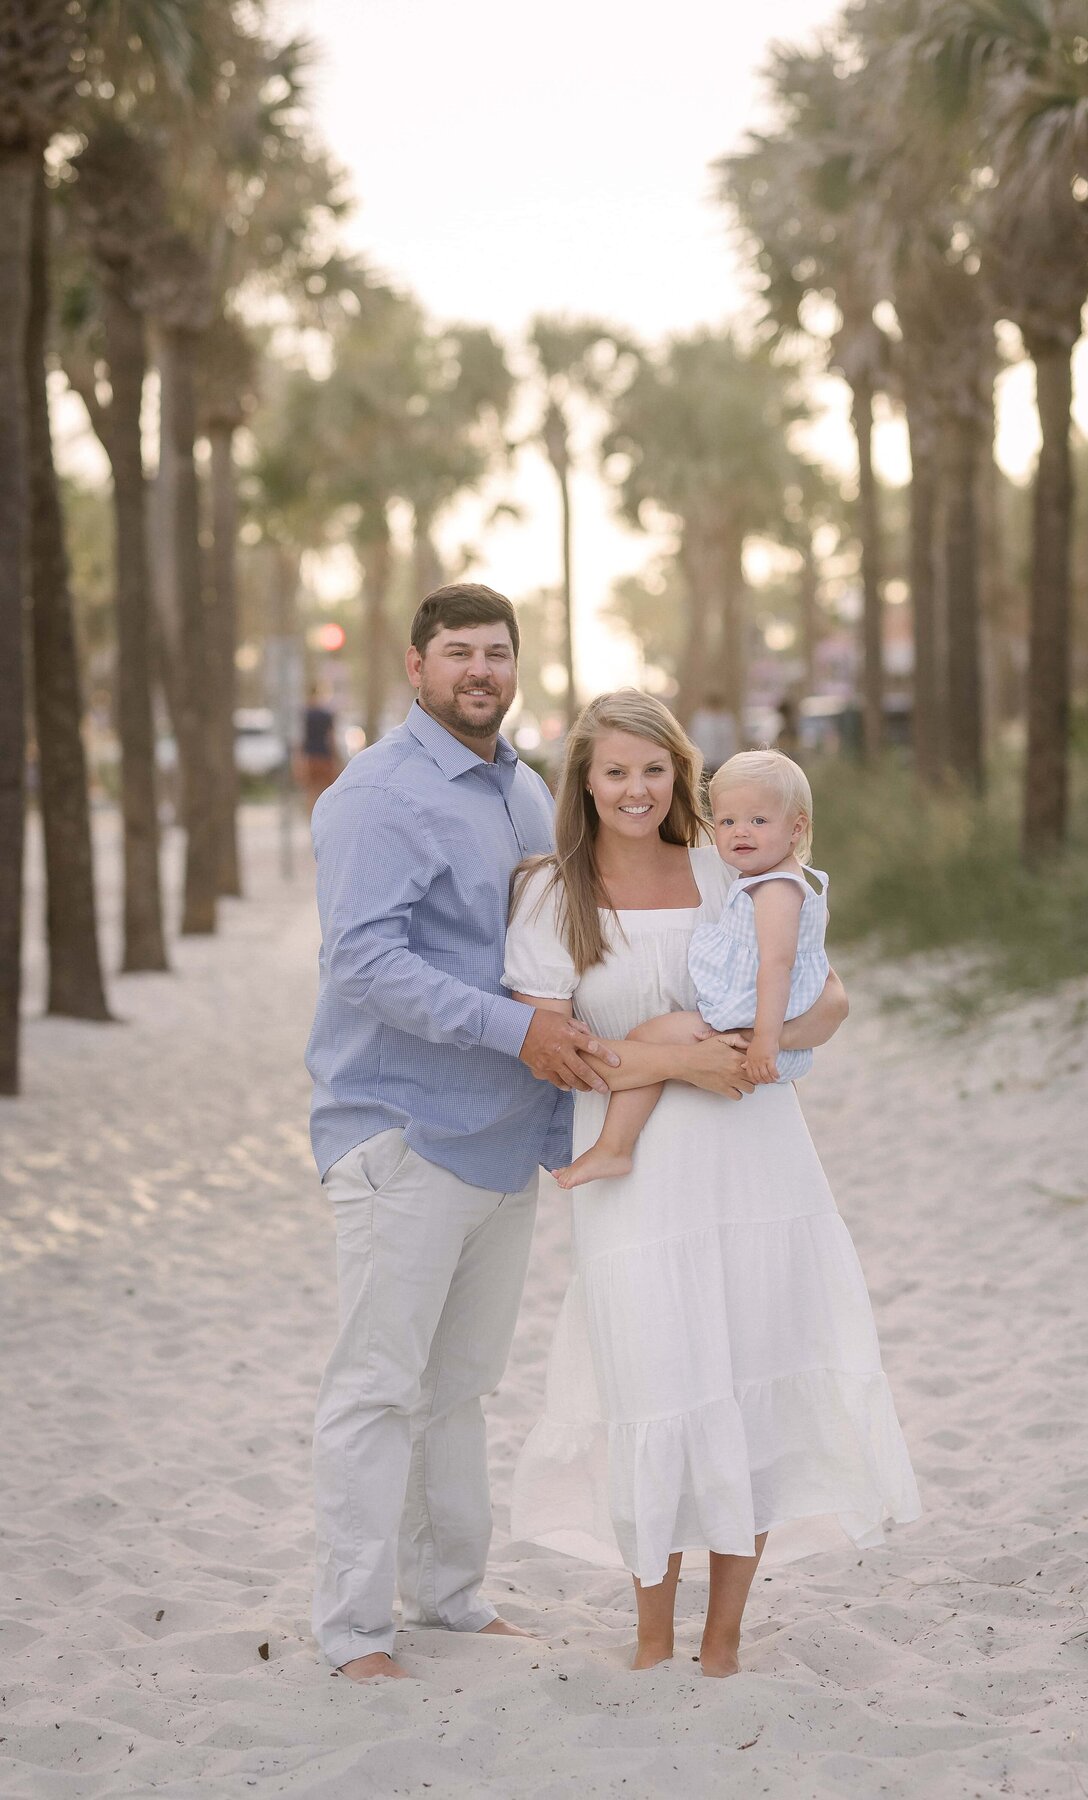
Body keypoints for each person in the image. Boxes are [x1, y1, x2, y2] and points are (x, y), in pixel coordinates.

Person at [305, 589, 772, 1683]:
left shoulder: (522, 791)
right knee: (377, 1388)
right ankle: (354, 1632)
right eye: (457, 652)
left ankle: (451, 1599)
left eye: (497, 652)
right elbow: (362, 964)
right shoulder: (377, 796)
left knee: (459, 1387)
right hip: (404, 1129)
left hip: (514, 1137)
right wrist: (520, 1030)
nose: (479, 669)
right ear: (414, 665)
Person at [503, 690, 920, 1677]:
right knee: (656, 1383)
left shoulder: (722, 864)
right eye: (615, 772)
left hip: (754, 1158)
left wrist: (760, 1048)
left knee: (747, 1385)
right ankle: (653, 1641)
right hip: (632, 1176)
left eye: (655, 770)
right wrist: (679, 1065)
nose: (637, 789)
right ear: (586, 782)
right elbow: (548, 1054)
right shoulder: (547, 892)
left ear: (679, 776)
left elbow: (829, 992)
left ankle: (722, 1642)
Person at [553, 748, 828, 1189]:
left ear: (796, 828)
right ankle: (614, 1148)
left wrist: (764, 1040)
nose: (741, 833)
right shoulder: (756, 877)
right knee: (653, 1040)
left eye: (759, 821)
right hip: (748, 1021)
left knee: (648, 1036)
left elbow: (778, 967)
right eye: (727, 822)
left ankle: (614, 1148)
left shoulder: (776, 888)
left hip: (748, 1020)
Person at [298, 687, 341, 815]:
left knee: (311, 791)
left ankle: (311, 818)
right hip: (324, 756)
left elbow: (301, 738)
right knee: (327, 789)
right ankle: (325, 815)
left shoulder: (306, 714)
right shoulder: (326, 715)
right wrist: (336, 757)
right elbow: (332, 738)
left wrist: (299, 758)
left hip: (310, 757)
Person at [688, 691, 738, 776]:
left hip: (721, 761)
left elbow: (730, 741)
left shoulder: (726, 719)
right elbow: (694, 738)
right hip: (704, 760)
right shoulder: (700, 718)